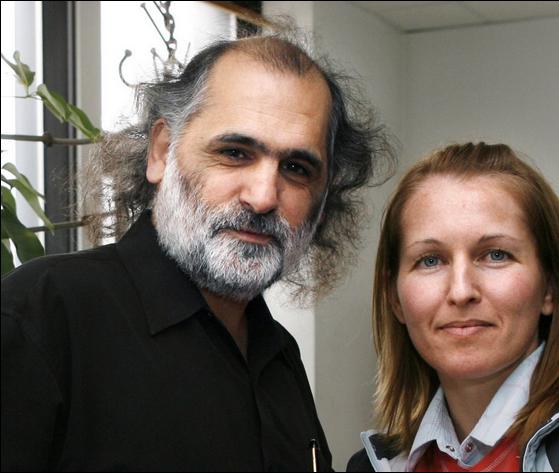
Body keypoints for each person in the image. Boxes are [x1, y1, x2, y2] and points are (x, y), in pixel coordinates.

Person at [2, 34, 393, 471]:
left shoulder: (279, 355)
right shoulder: (39, 317)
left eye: (297, 168)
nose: (263, 197)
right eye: (234, 153)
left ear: (322, 200)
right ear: (161, 152)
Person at [347, 142, 559, 472]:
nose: (461, 291)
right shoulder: (373, 466)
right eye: (430, 260)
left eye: (496, 255)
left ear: (550, 287)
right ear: (395, 298)